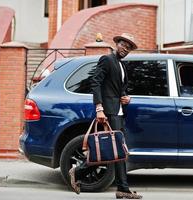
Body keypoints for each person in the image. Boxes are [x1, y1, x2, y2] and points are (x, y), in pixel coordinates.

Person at [69, 33, 143, 199]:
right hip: (108, 111)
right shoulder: (107, 59)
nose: (126, 49)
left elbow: (119, 89)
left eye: (129, 47)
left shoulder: (122, 66)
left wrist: (126, 97)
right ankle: (79, 171)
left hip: (118, 111)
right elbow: (96, 82)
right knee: (114, 150)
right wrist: (99, 108)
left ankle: (122, 188)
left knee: (118, 151)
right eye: (124, 45)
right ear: (117, 44)